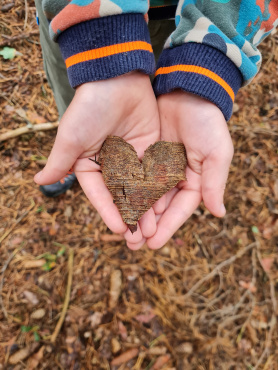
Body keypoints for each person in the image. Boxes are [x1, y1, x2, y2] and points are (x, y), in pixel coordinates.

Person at [34, 0, 278, 250]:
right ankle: (84, 152)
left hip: (183, 20)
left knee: (161, 76)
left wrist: (204, 68)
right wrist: (103, 54)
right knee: (80, 104)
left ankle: (89, 149)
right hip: (75, 22)